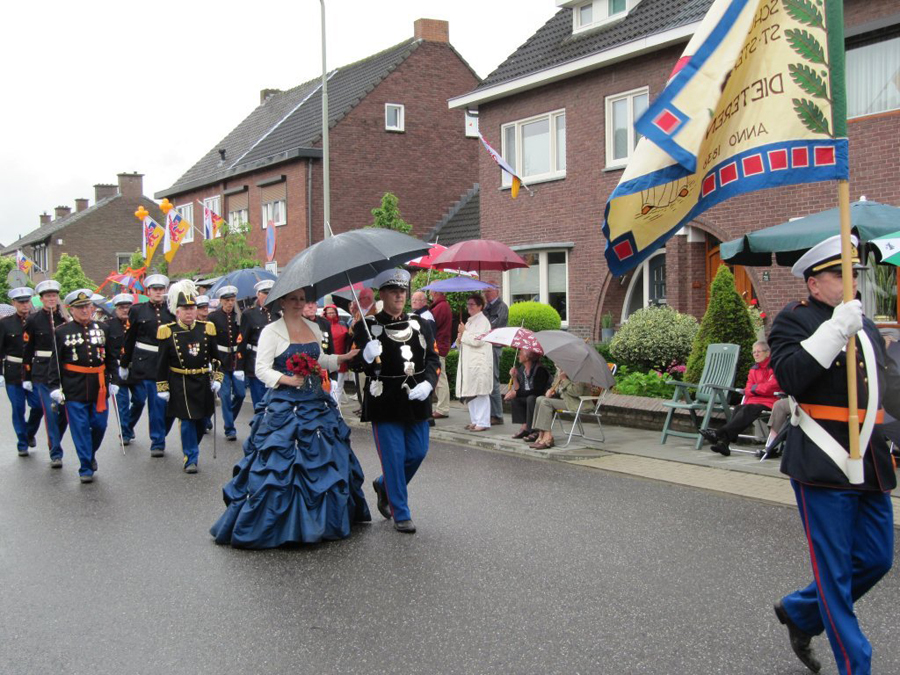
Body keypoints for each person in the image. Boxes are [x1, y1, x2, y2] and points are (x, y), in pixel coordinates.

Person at [768, 235, 900, 675]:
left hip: (870, 460)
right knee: (834, 571)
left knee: (878, 557)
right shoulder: (796, 321)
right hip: (823, 462)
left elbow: (888, 388)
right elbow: (791, 377)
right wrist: (834, 329)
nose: (851, 284)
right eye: (839, 275)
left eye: (854, 275)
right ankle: (855, 664)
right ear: (813, 284)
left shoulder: (864, 324)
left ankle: (803, 612)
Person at [210, 287, 369, 548]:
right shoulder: (271, 331)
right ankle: (279, 524)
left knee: (325, 459)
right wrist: (287, 379)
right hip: (285, 404)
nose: (298, 303)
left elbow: (321, 361)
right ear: (282, 301)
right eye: (293, 299)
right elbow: (261, 368)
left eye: (302, 299)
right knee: (281, 463)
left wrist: (343, 357)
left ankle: (326, 520)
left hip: (316, 403)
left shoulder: (315, 327)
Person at [350, 268, 440, 534]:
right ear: (383, 294)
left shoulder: (420, 323)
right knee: (394, 456)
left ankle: (383, 484)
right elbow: (356, 365)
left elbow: (433, 359)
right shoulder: (366, 326)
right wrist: (365, 354)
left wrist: (429, 384)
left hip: (417, 399)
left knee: (418, 452)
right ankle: (401, 511)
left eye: (403, 291)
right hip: (385, 400)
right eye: (394, 291)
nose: (400, 295)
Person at [48, 289, 117, 483]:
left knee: (99, 425)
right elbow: (56, 362)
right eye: (80, 308)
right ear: (71, 310)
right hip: (74, 387)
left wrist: (115, 380)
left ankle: (90, 453)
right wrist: (55, 386)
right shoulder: (62, 332)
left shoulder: (103, 328)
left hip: (99, 387)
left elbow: (111, 357)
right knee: (79, 428)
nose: (85, 310)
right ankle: (85, 467)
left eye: (88, 306)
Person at [155, 281, 221, 473]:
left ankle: (193, 448)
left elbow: (216, 357)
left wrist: (217, 378)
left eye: (192, 308)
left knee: (202, 420)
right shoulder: (168, 331)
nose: (190, 312)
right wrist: (162, 387)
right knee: (187, 420)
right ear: (177, 311)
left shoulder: (206, 328)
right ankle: (190, 457)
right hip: (180, 381)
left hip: (202, 380)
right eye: (185, 309)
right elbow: (161, 363)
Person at [120, 274, 175, 457]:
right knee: (155, 403)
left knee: (169, 406)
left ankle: (159, 432)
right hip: (147, 363)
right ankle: (157, 441)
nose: (158, 292)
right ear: (148, 291)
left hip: (168, 361)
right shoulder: (137, 310)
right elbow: (130, 338)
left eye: (161, 289)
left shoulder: (172, 310)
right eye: (155, 289)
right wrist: (124, 363)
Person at [699, 340, 782, 456]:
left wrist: (754, 389)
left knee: (748, 409)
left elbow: (771, 387)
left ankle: (719, 434)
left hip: (770, 402)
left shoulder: (775, 367)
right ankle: (724, 444)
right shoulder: (754, 369)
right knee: (739, 408)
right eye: (754, 352)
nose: (756, 354)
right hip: (754, 401)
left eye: (759, 351)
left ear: (767, 353)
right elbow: (748, 389)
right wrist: (756, 389)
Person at [23, 279, 68, 468]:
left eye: (54, 295)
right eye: (47, 296)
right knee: (50, 412)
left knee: (64, 414)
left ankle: (52, 439)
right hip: (42, 372)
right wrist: (26, 376)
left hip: (63, 372)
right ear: (41, 299)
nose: (51, 299)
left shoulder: (65, 318)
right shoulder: (33, 320)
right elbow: (27, 347)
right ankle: (55, 452)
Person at [0, 287, 43, 456]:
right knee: (18, 408)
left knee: (38, 406)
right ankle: (22, 442)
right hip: (13, 370)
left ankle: (29, 432)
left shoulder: (37, 321)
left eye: (27, 301)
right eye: (21, 302)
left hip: (34, 370)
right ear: (14, 303)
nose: (25, 305)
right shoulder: (5, 323)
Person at [208, 285, 245, 441]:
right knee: (225, 396)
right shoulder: (213, 317)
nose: (230, 303)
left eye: (232, 300)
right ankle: (229, 428)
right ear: (221, 301)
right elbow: (210, 342)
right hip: (220, 361)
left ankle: (229, 419)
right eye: (227, 300)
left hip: (236, 361)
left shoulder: (239, 316)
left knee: (240, 394)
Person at [239, 279, 280, 410]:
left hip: (274, 363)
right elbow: (242, 340)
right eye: (265, 293)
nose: (268, 297)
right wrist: (239, 367)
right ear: (258, 294)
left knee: (273, 403)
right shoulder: (249, 314)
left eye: (270, 293)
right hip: (255, 362)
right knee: (260, 404)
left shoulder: (277, 314)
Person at [456, 293, 493, 432]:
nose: (469, 307)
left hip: (479, 363)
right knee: (471, 391)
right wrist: (460, 337)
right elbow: (464, 343)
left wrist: (464, 333)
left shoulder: (483, 321)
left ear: (480, 306)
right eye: (468, 304)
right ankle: (475, 420)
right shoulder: (470, 321)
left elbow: (477, 341)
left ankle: (483, 421)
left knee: (481, 391)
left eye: (472, 304)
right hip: (469, 363)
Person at [528, 369, 592, 449]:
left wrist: (564, 379)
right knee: (539, 399)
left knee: (545, 402)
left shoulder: (580, 373)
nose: (557, 366)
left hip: (577, 404)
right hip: (565, 401)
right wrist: (552, 390)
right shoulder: (560, 371)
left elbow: (576, 392)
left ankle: (548, 436)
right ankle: (541, 434)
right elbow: (556, 387)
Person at [106, 293, 134, 445]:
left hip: (135, 367)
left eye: (127, 307)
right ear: (116, 309)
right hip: (117, 367)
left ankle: (130, 425)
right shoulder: (108, 326)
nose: (125, 310)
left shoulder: (136, 324)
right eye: (121, 308)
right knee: (122, 404)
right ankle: (125, 433)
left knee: (140, 400)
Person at [505, 349, 551, 440]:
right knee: (516, 400)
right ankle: (525, 426)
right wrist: (514, 377)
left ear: (527, 357)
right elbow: (519, 389)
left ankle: (535, 429)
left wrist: (517, 393)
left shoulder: (540, 369)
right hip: (528, 396)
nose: (518, 356)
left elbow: (537, 391)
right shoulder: (522, 370)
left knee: (531, 399)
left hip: (539, 397)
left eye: (520, 354)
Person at [483, 287, 508, 425]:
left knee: (493, 379)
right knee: (487, 380)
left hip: (495, 345)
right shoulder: (487, 307)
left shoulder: (501, 307)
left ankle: (497, 414)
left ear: (496, 292)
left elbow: (495, 325)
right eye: (485, 291)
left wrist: (483, 325)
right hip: (487, 345)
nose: (486, 294)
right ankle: (491, 413)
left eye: (489, 291)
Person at [429, 290, 452, 419]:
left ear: (435, 291)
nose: (430, 293)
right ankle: (442, 407)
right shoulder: (442, 305)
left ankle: (443, 408)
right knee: (440, 377)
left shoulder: (441, 307)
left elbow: (432, 324)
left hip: (439, 346)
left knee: (440, 378)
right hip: (441, 345)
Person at [322, 304, 350, 406]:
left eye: (333, 312)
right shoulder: (321, 327)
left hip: (341, 360)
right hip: (326, 361)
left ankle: (336, 407)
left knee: (338, 386)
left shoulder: (343, 327)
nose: (331, 314)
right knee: (326, 386)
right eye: (329, 313)